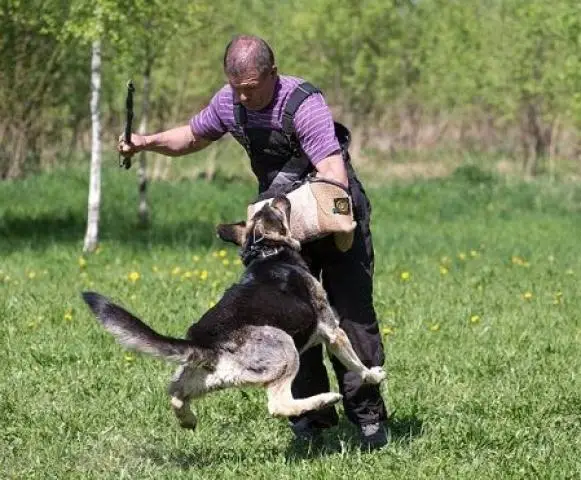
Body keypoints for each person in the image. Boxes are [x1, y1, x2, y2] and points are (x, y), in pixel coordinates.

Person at [118, 34, 389, 449]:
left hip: (330, 213)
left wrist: (336, 228)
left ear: (272, 75)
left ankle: (369, 420)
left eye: (251, 88)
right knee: (291, 318)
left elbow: (332, 170)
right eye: (236, 88)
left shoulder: (302, 103)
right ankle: (313, 422)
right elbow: (192, 136)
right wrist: (145, 142)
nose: (243, 97)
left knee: (350, 318)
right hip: (279, 228)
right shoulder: (230, 102)